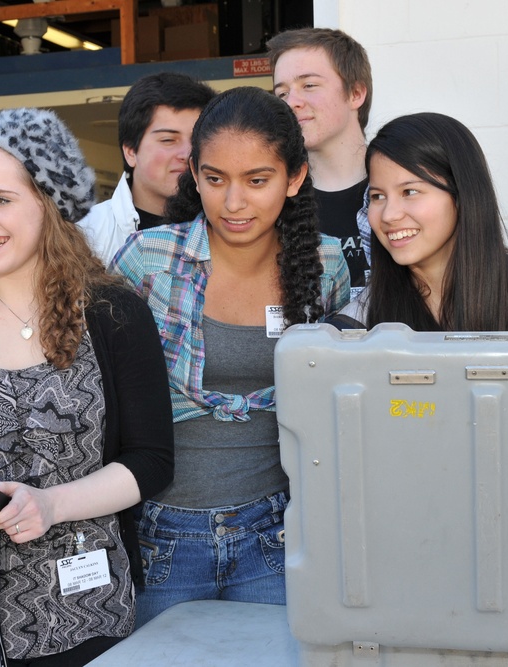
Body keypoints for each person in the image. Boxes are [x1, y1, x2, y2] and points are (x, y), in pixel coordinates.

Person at [0, 107, 175, 665]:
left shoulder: (113, 314)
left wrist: (51, 504)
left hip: (86, 613)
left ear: (51, 206)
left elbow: (151, 460)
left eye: (1, 199)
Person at [112, 86, 351, 626]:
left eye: (257, 181)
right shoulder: (148, 262)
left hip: (277, 532)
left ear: (294, 178)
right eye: (215, 179)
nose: (234, 203)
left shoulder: (324, 265)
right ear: (194, 174)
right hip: (161, 536)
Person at [327, 112, 508, 332]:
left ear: (461, 195)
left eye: (410, 192)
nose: (389, 215)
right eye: (377, 196)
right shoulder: (356, 327)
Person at [269, 27, 372, 292]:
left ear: (356, 93)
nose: (292, 102)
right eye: (282, 93)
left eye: (309, 85)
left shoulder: (407, 188)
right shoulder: (272, 200)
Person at [78, 72, 216, 265]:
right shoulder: (85, 236)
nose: (187, 153)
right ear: (130, 152)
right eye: (168, 140)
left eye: (197, 140)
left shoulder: (227, 226)